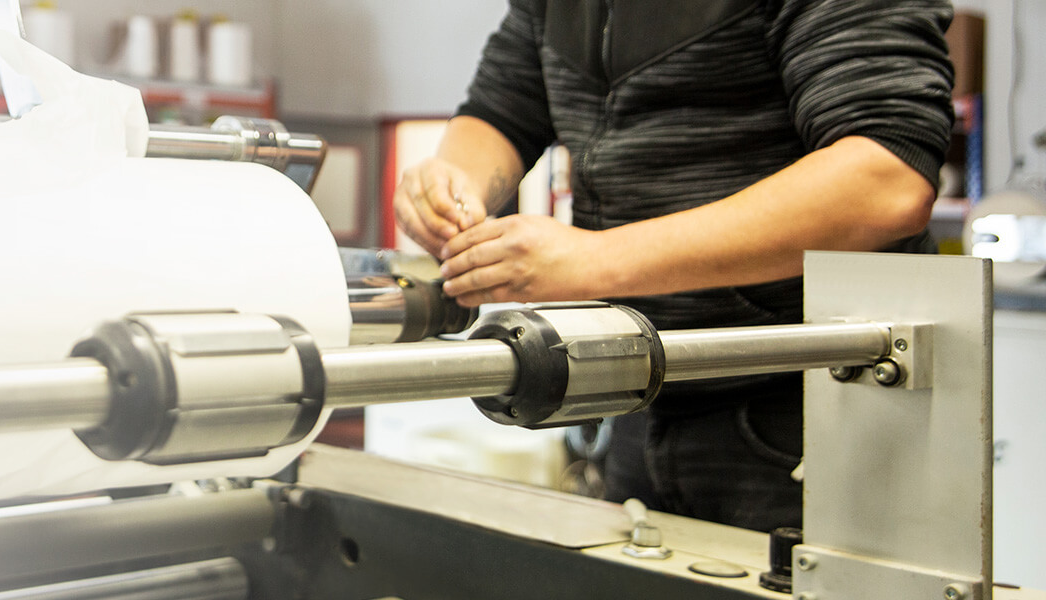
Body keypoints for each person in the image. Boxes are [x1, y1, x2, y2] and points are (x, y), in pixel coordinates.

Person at [394, 0, 954, 532]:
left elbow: (887, 178)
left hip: (814, 396)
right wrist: (454, 187)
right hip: (640, 383)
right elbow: (502, 110)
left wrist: (596, 259)